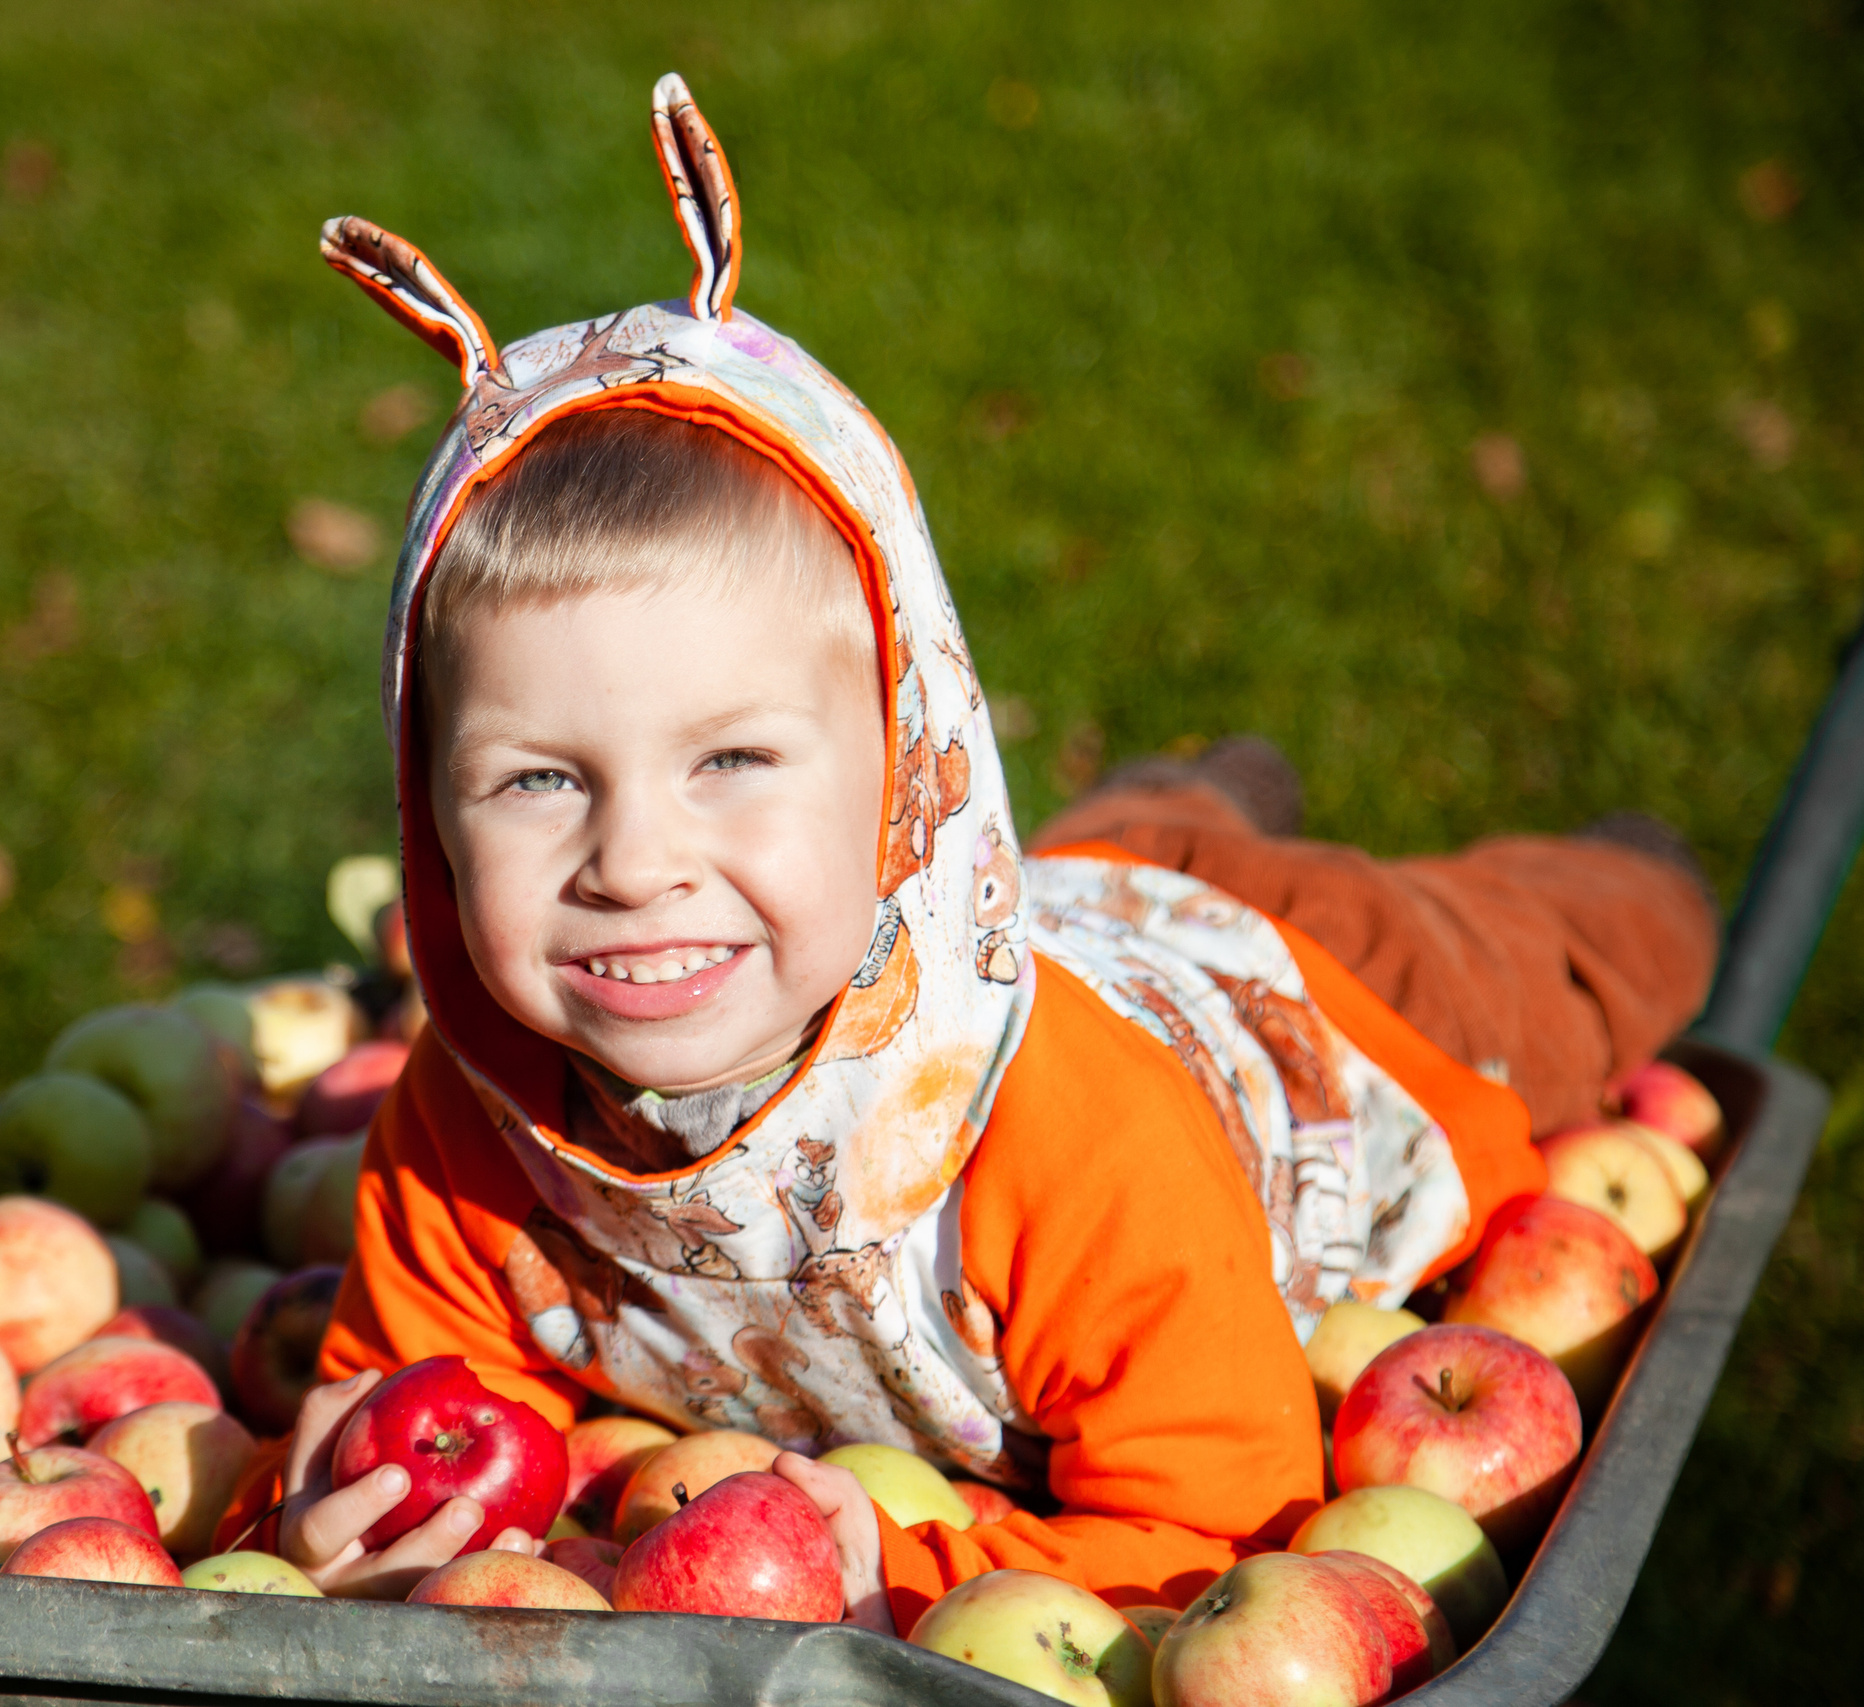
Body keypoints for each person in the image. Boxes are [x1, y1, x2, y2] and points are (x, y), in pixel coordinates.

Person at [225, 76, 1715, 1629]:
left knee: (1556, 963)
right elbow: (398, 1403)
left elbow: (1217, 1533)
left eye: (730, 761)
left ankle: (1627, 861)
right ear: (427, 811)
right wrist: (333, 1506)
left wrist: (897, 1580)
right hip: (1055, 907)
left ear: (906, 782)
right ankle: (1192, 793)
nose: (634, 861)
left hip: (1291, 992)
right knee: (1132, 842)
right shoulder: (467, 1143)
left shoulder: (1071, 1151)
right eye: (537, 782)